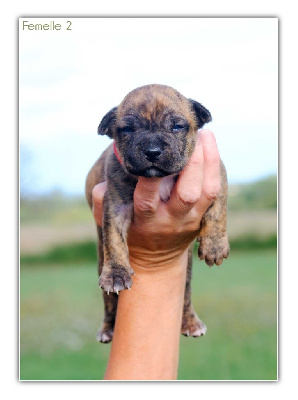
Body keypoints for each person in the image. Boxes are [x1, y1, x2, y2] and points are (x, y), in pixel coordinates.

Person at [91, 129, 221, 380]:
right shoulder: (113, 164)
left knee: (182, 242)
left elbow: (217, 185)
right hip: (118, 204)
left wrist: (215, 231)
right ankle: (109, 319)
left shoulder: (193, 155)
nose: (152, 147)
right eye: (129, 129)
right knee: (109, 263)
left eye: (175, 127)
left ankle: (187, 312)